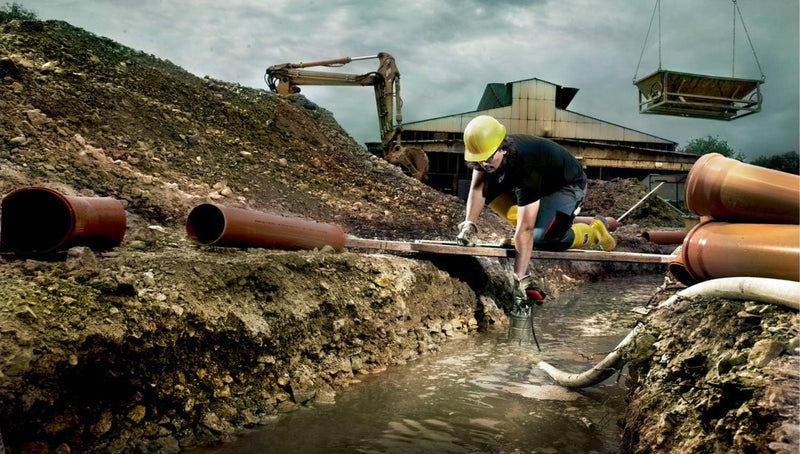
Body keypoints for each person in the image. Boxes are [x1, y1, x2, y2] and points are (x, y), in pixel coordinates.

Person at [456, 115, 615, 306]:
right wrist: (469, 225)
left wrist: (520, 279)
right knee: (490, 190)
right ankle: (548, 222)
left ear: (504, 149)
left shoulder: (526, 165)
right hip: (539, 180)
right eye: (479, 160)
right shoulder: (487, 153)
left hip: (565, 185)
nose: (484, 164)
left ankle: (595, 231)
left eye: (488, 158)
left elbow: (526, 228)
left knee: (541, 237)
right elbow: (478, 189)